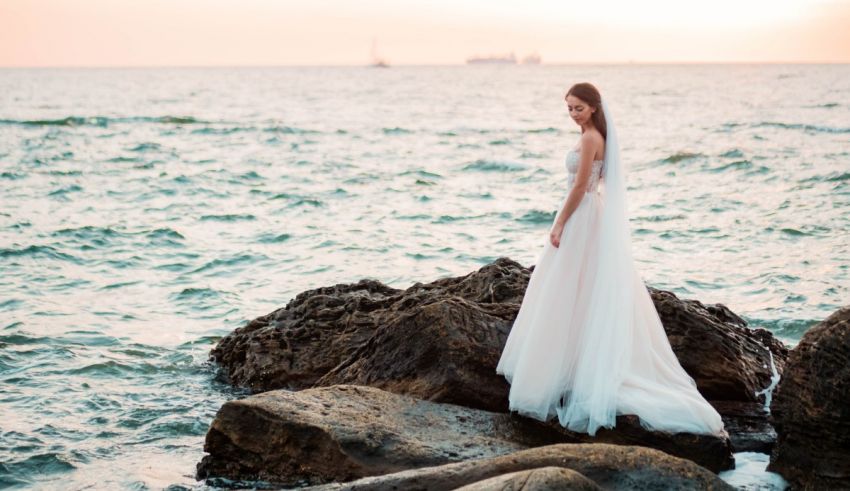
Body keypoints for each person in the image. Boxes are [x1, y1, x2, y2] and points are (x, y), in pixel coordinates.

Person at [495, 82, 726, 437]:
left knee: (567, 290)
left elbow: (578, 187)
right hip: (591, 214)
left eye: (578, 108)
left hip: (582, 214)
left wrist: (559, 223)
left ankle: (565, 371)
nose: (573, 114)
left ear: (593, 107)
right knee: (579, 289)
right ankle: (572, 368)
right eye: (568, 108)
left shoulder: (590, 139)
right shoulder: (594, 135)